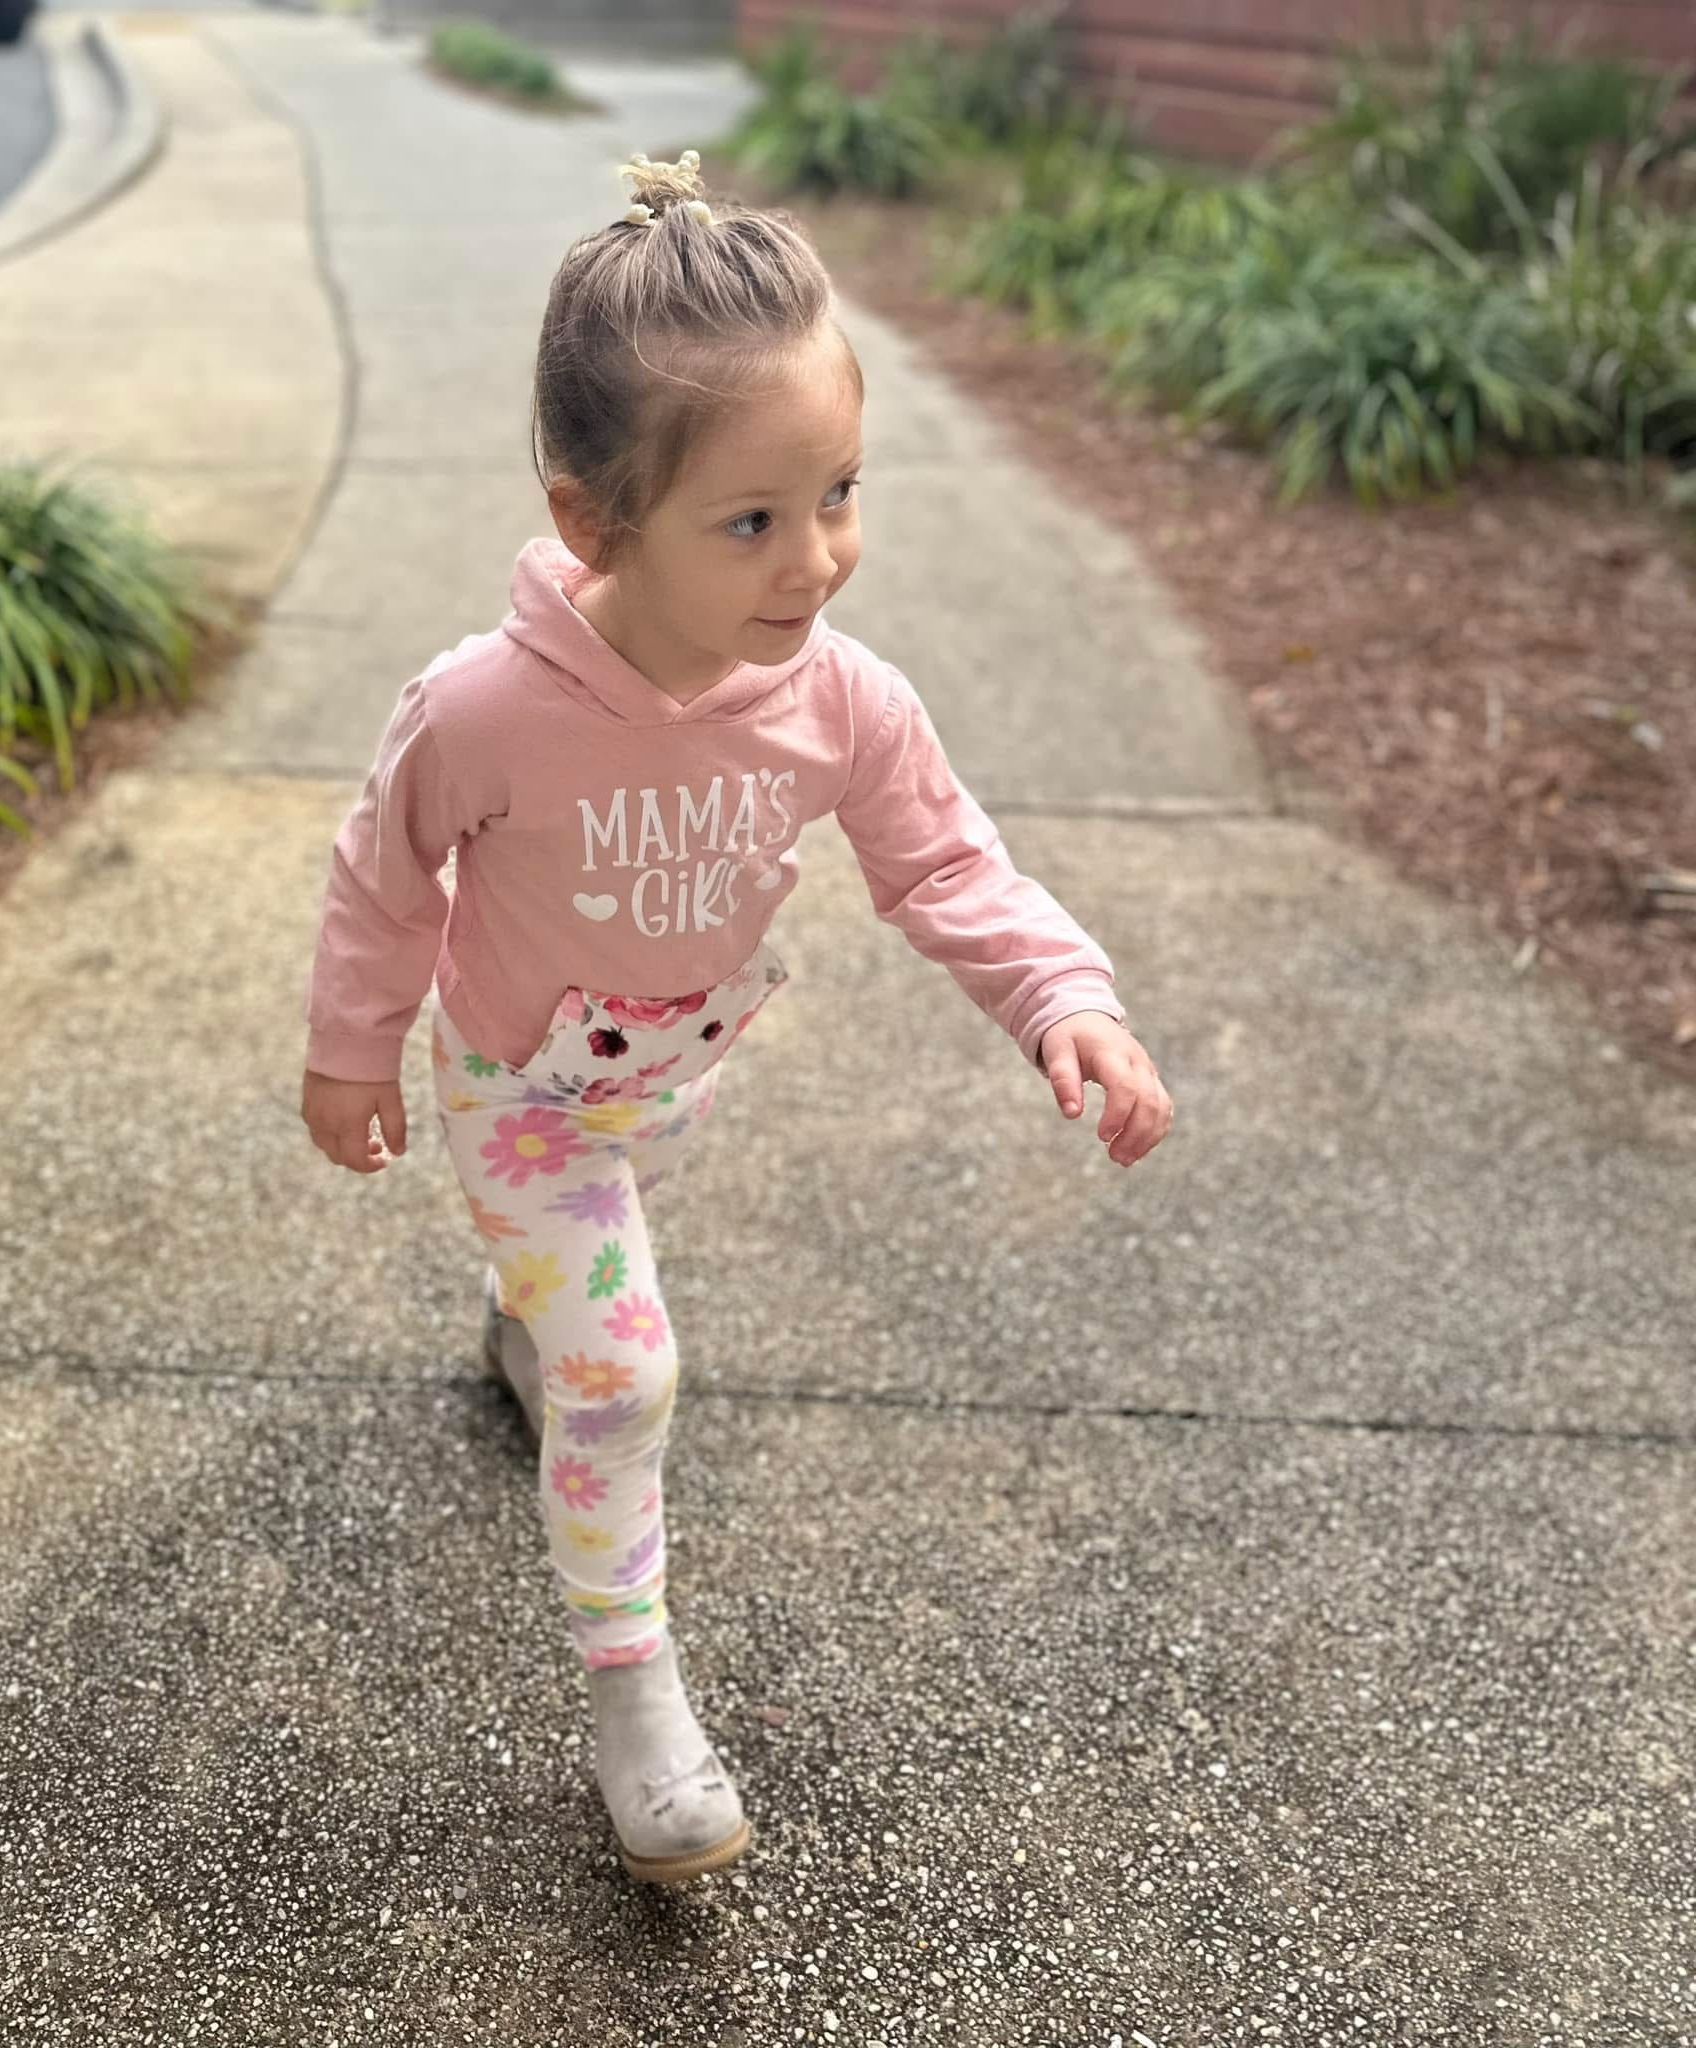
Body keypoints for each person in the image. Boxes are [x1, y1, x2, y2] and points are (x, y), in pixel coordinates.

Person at [300, 147, 1172, 1886]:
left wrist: (1060, 995)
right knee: (625, 1375)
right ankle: (635, 1699)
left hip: (660, 1074)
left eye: (839, 492)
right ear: (592, 523)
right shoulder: (482, 713)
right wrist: (351, 1046)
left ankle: (526, 1325)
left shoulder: (840, 700)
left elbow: (945, 863)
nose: (818, 558)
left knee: (576, 1307)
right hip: (521, 1095)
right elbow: (382, 870)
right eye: (752, 521)